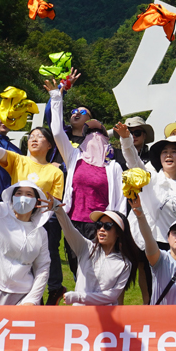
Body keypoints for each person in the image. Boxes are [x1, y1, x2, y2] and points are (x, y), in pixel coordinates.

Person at [47, 79, 125, 280]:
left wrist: (117, 227)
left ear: (105, 138)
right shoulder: (74, 158)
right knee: (77, 270)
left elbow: (120, 201)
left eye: (98, 133)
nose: (93, 136)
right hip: (74, 222)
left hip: (100, 226)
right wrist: (56, 98)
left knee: (99, 273)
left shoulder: (113, 167)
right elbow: (57, 132)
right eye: (88, 133)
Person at [0, 125, 67, 305]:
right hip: (13, 220)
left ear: (50, 145)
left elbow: (56, 202)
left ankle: (36, 300)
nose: (34, 139)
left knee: (41, 264)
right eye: (31, 136)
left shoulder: (56, 172)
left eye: (40, 136)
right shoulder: (18, 159)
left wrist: (52, 205)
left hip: (43, 223)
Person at [118, 127, 176, 304]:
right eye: (165, 152)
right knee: (153, 296)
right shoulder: (151, 180)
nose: (169, 155)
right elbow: (134, 163)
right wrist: (126, 140)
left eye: (174, 152)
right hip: (153, 246)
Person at [52, 200, 140, 306]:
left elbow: (111, 296)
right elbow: (69, 230)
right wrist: (58, 208)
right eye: (99, 225)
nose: (101, 229)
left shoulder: (125, 264)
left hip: (105, 314)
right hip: (79, 313)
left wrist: (79, 297)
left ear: (118, 232)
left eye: (107, 226)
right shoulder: (86, 247)